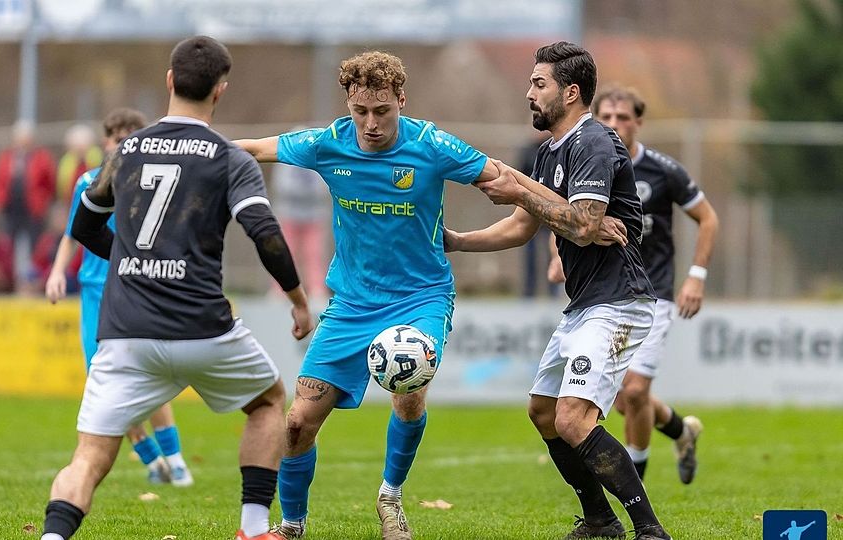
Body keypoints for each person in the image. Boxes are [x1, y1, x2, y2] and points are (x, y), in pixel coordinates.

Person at [233, 50, 625, 540]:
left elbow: (504, 177)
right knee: (296, 423)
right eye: (360, 111)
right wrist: (187, 149)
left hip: (420, 297)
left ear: (402, 100)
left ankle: (390, 497)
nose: (371, 124)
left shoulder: (431, 145)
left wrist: (577, 215)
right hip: (351, 303)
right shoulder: (327, 143)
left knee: (408, 393)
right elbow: (251, 149)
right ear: (348, 105)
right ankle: (291, 525)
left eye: (382, 111)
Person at [40, 36, 314, 540]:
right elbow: (265, 233)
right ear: (220, 90)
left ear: (169, 80)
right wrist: (298, 300)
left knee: (89, 457)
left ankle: (53, 536)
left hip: (126, 332)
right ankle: (254, 529)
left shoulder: (126, 152)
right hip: (202, 329)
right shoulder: (229, 157)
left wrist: (131, 261)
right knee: (269, 403)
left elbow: (82, 226)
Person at [446, 42, 672, 539]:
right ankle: (600, 521)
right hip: (586, 303)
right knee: (544, 411)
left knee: (573, 419)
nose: (529, 93)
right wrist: (457, 241)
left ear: (570, 92)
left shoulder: (593, 142)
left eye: (538, 83)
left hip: (619, 300)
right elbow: (521, 226)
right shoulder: (551, 152)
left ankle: (650, 530)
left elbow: (585, 225)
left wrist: (522, 190)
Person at [548, 84, 719, 485]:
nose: (614, 124)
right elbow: (564, 214)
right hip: (605, 291)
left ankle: (634, 484)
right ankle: (680, 429)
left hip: (652, 291)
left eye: (622, 117)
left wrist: (696, 277)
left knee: (636, 391)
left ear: (638, 122)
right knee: (625, 398)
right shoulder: (585, 160)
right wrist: (558, 257)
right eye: (606, 116)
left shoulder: (663, 170)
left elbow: (708, 218)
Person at [45, 107, 193, 487]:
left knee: (146, 373)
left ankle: (176, 460)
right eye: (118, 139)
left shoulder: (150, 184)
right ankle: (152, 461)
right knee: (102, 381)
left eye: (131, 138)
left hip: (133, 287)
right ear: (106, 142)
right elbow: (73, 234)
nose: (124, 145)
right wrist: (57, 272)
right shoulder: (89, 182)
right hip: (95, 292)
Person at [0, 120, 56, 288]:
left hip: (34, 210)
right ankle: (9, 282)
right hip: (11, 209)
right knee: (8, 246)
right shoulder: (6, 157)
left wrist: (43, 201)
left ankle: (33, 283)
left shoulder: (41, 157)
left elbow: (50, 182)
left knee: (36, 246)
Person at [268, 140, 330, 299]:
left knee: (314, 254)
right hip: (288, 215)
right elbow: (281, 186)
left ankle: (317, 289)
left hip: (313, 216)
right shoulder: (285, 162)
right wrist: (303, 191)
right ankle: (281, 289)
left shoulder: (317, 161)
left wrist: (304, 192)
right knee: (284, 252)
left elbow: (323, 188)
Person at [56, 123, 103, 203]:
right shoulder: (67, 160)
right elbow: (62, 184)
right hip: (71, 200)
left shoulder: (96, 157)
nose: (79, 148)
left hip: (94, 199)